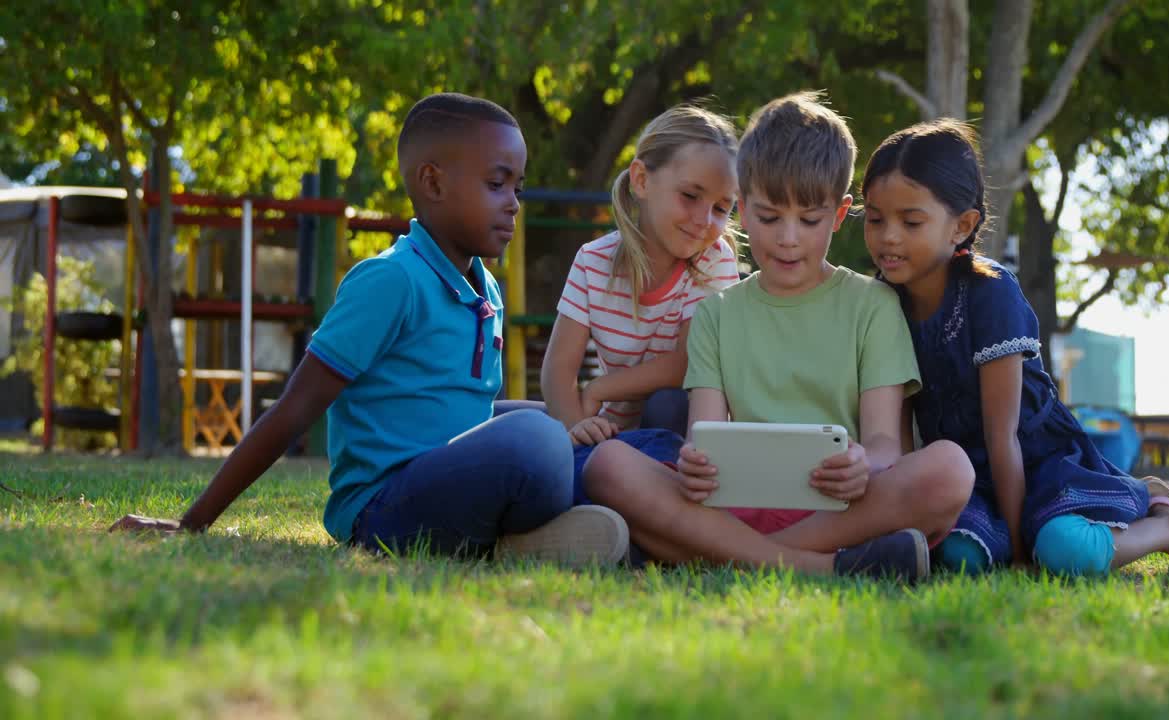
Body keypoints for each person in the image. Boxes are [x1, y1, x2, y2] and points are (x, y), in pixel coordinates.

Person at [111, 93, 629, 567]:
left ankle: (535, 540)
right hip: (384, 512)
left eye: (517, 187)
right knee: (537, 437)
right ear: (433, 182)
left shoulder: (485, 289)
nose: (514, 203)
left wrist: (566, 427)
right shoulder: (389, 280)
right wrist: (191, 522)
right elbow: (296, 408)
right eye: (497, 184)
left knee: (563, 425)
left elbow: (464, 413)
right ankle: (526, 534)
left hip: (452, 481)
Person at [581, 93, 976, 581]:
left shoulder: (873, 306)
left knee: (949, 470)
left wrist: (863, 463)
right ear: (743, 211)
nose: (788, 238)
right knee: (608, 465)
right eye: (769, 217)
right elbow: (703, 439)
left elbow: (884, 445)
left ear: (838, 214)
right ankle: (826, 569)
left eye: (809, 220)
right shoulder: (716, 316)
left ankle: (720, 556)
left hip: (838, 512)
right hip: (735, 507)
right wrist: (695, 466)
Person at [860, 118, 1169, 575]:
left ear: (962, 226)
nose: (888, 236)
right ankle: (1017, 531)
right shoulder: (881, 301)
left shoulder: (989, 294)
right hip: (966, 478)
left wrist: (1017, 554)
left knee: (1063, 552)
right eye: (875, 219)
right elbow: (897, 432)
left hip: (1038, 463)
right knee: (959, 558)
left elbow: (1003, 435)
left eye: (910, 221)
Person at [540, 104, 742, 502]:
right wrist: (577, 426)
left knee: (668, 405)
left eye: (721, 208)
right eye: (690, 196)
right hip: (616, 435)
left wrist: (600, 388)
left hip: (683, 439)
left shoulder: (714, 260)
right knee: (521, 427)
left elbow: (687, 362)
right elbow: (558, 370)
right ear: (641, 180)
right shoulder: (593, 261)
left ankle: (650, 511)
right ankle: (592, 501)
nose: (704, 219)